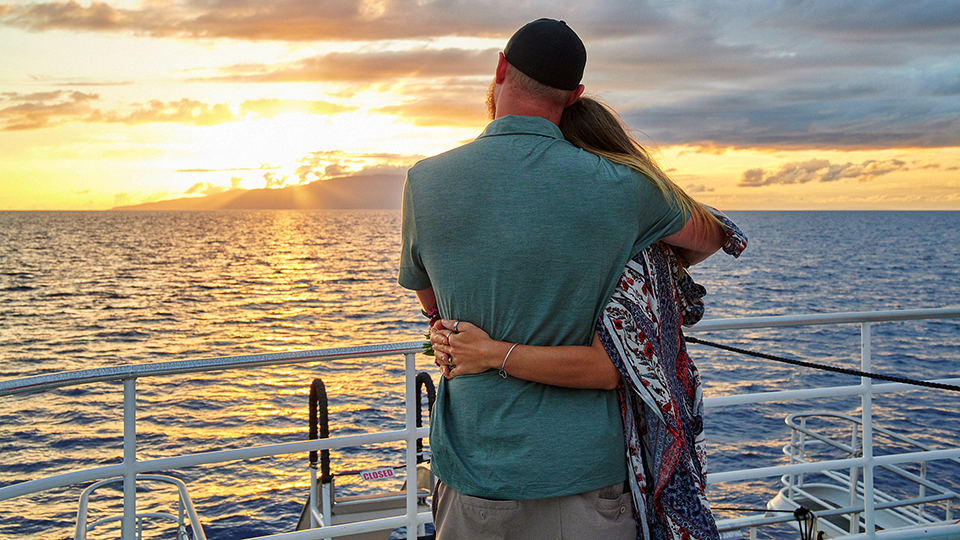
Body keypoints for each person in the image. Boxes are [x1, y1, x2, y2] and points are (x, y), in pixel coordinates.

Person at [398, 18, 726, 540]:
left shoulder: (425, 182)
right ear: (575, 96)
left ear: (500, 68)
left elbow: (431, 304)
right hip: (584, 476)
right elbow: (712, 236)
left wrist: (457, 332)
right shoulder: (624, 188)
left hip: (475, 470)